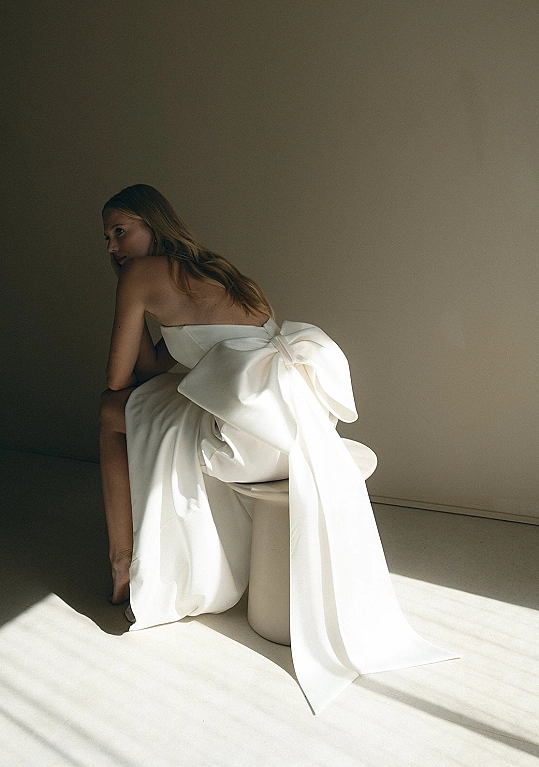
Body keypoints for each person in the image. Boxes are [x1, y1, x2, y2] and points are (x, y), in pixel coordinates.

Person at [99, 184, 457, 713]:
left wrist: (131, 299)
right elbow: (168, 364)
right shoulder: (222, 272)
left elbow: (119, 379)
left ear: (153, 224)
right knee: (153, 404)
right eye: (107, 238)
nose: (112, 246)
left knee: (108, 413)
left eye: (120, 231)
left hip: (246, 439)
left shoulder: (140, 276)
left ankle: (122, 563)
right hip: (296, 429)